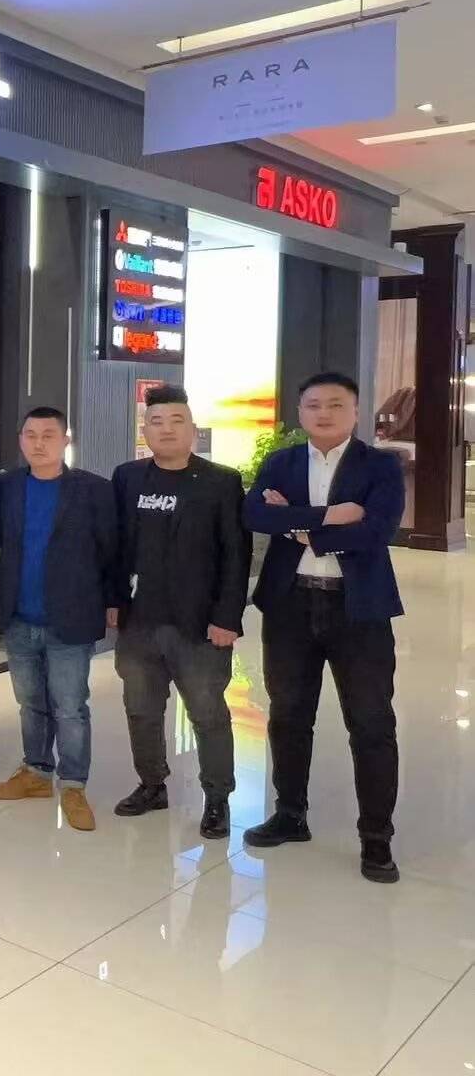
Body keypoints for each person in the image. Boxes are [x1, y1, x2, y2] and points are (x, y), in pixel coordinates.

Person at [242, 372, 406, 883]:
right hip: (289, 606)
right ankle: (291, 814)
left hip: (359, 610)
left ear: (355, 411)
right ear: (300, 413)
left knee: (371, 722)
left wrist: (300, 528)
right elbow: (254, 515)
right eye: (313, 405)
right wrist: (333, 516)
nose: (324, 413)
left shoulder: (380, 465)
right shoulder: (282, 462)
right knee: (288, 715)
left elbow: (377, 529)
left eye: (336, 404)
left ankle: (376, 837)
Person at [109, 384, 249, 839]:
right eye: (156, 422)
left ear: (193, 429)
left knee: (207, 714)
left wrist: (227, 617)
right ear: (144, 429)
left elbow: (236, 554)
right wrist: (113, 601)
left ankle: (217, 798)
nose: (166, 429)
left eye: (176, 421)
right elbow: (116, 547)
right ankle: (152, 784)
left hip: (199, 626)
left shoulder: (221, 481)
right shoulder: (128, 477)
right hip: (139, 622)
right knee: (141, 710)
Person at [0, 406, 118, 831]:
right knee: (30, 703)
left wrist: (113, 601)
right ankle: (37, 772)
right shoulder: (5, 487)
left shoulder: (93, 490)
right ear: (20, 440)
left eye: (48, 435)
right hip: (19, 615)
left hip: (71, 616)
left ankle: (74, 784)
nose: (39, 443)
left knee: (70, 707)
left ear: (66, 440)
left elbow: (111, 552)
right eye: (30, 435)